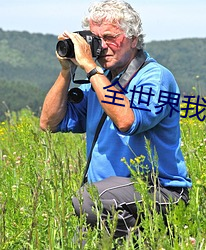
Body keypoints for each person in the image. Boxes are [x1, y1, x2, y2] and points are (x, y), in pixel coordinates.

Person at [40, 0, 192, 244]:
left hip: (159, 191)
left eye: (110, 37)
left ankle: (146, 241)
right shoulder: (100, 82)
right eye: (96, 39)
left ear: (133, 39)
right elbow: (49, 123)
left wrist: (90, 67)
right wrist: (66, 70)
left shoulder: (155, 77)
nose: (102, 47)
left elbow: (127, 121)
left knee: (88, 200)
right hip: (110, 199)